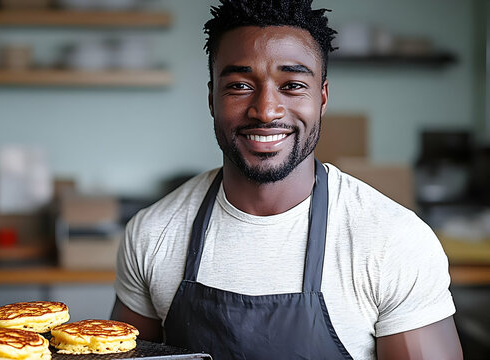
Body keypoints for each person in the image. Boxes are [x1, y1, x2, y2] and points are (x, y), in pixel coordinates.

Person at [110, 0, 463, 359]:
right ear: (212, 99)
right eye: (239, 86)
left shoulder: (392, 241)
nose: (266, 110)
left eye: (292, 85)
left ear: (321, 98)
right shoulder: (153, 233)